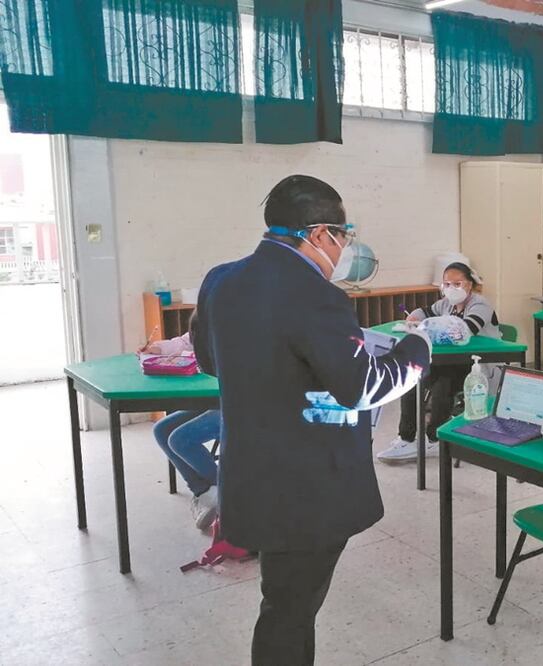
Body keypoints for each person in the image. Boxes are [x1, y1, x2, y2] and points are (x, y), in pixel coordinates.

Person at [190, 175, 430, 666]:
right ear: (320, 233)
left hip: (250, 476)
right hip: (307, 490)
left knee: (285, 601)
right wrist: (417, 350)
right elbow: (363, 387)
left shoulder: (221, 279)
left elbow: (211, 360)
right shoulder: (318, 294)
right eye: (343, 235)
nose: (345, 247)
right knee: (290, 610)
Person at [377, 261, 500, 463]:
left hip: (478, 364)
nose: (451, 289)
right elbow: (425, 312)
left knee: (444, 381)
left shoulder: (480, 304)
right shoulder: (446, 304)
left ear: (469, 284)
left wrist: (429, 327)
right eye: (446, 284)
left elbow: (466, 330)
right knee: (412, 377)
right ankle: (406, 437)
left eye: (457, 283)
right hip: (450, 361)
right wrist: (415, 318)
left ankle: (434, 438)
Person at [145, 328, 222, 531]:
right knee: (162, 430)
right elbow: (187, 340)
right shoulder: (212, 309)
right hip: (218, 397)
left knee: (180, 440)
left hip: (246, 404)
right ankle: (204, 492)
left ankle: (228, 496)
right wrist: (159, 348)